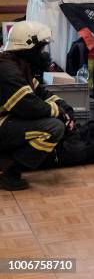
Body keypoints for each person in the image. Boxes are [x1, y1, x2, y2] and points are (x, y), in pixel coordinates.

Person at [0, 22, 75, 191]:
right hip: (3, 123)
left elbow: (40, 93)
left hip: (6, 122)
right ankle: (9, 171)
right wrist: (60, 113)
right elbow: (29, 106)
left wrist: (65, 108)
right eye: (40, 49)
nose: (42, 54)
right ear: (28, 48)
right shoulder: (6, 70)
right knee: (53, 128)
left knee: (55, 121)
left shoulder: (16, 65)